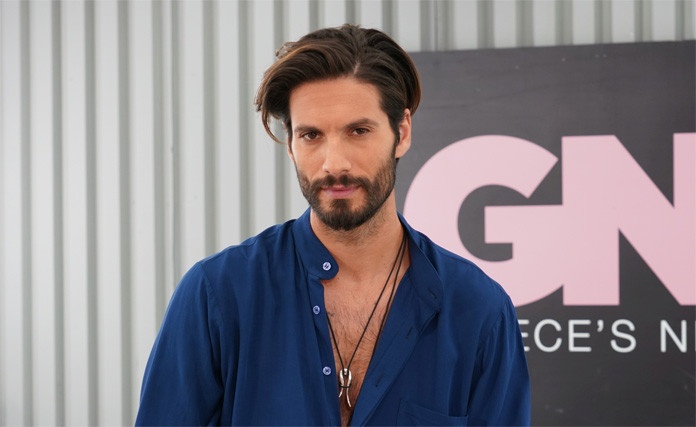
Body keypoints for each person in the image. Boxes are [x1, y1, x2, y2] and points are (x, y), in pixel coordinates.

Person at [135, 24, 530, 426]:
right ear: (290, 144)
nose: (334, 163)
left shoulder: (478, 309)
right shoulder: (218, 294)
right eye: (311, 135)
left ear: (401, 132)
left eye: (358, 131)